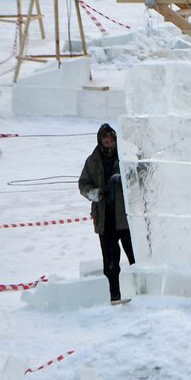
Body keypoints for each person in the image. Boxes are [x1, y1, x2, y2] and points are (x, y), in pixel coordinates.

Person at [78, 123, 133, 302]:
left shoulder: (125, 157)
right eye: (106, 141)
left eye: (112, 141)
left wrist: (125, 180)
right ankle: (114, 296)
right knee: (110, 261)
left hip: (125, 217)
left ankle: (142, 291)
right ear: (100, 141)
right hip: (105, 218)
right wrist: (95, 193)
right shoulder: (92, 161)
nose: (109, 144)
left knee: (135, 257)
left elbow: (139, 176)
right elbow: (83, 185)